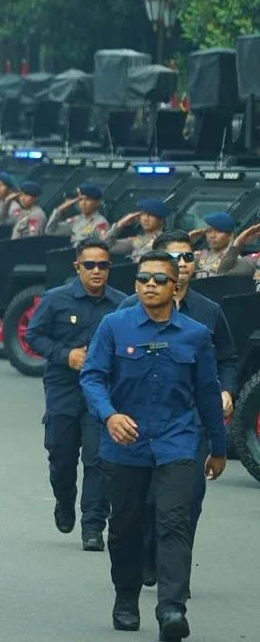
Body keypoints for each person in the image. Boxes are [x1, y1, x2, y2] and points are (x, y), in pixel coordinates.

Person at [80, 251, 226, 640]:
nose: (150, 285)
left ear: (175, 285)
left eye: (159, 279)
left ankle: (171, 609)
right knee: (125, 527)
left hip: (177, 444)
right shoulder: (114, 326)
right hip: (124, 446)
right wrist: (110, 415)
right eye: (143, 278)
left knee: (174, 524)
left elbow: (209, 394)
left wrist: (219, 447)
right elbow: (92, 377)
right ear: (135, 284)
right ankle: (126, 598)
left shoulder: (195, 334)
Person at [116, 230, 237, 590]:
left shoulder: (208, 312)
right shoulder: (125, 312)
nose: (183, 264)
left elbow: (227, 358)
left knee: (186, 501)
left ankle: (175, 577)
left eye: (188, 258)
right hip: (140, 423)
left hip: (190, 423)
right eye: (174, 259)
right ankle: (150, 556)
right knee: (148, 502)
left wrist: (226, 390)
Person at [25, 239, 127, 551]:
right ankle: (64, 499)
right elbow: (33, 335)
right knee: (61, 455)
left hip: (103, 393)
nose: (97, 271)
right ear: (77, 267)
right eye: (90, 265)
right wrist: (65, 354)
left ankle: (93, 525)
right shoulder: (57, 299)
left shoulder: (121, 304)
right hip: (64, 388)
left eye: (103, 265)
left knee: (99, 459)